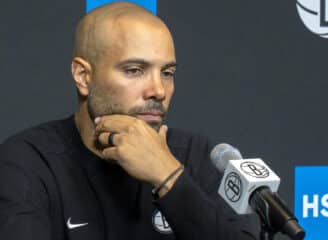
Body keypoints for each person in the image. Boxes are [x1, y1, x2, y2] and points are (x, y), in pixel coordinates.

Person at [0, 2, 262, 240]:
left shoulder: (198, 156)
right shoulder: (27, 162)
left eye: (167, 73)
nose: (158, 90)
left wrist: (168, 177)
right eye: (135, 70)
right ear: (82, 76)